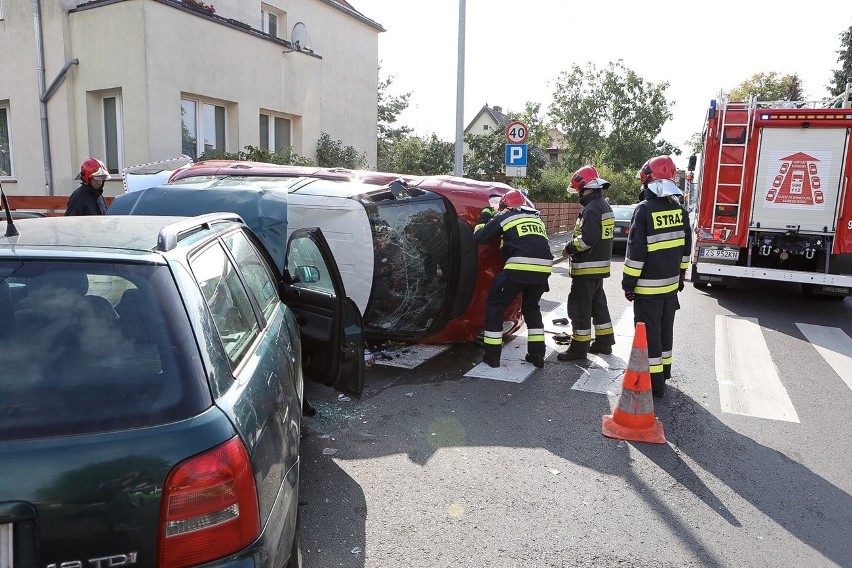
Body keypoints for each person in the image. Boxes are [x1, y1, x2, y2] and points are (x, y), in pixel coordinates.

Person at [622, 155, 692, 398]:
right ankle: (664, 373)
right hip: (670, 288)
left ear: (648, 183)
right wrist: (680, 277)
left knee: (648, 334)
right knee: (665, 330)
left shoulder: (643, 211)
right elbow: (686, 250)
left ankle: (654, 383)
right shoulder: (680, 211)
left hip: (647, 290)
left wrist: (628, 284)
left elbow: (636, 254)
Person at [473, 189, 552, 368]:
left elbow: (480, 237)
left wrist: (485, 215)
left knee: (495, 307)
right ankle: (537, 356)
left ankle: (492, 357)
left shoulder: (506, 216)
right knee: (532, 309)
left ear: (504, 206)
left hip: (518, 267)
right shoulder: (536, 218)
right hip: (543, 269)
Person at [557, 166, 616, 361]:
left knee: (580, 307)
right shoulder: (604, 206)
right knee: (598, 304)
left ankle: (578, 348)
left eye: (578, 190)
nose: (578, 195)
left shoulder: (591, 209)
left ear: (585, 187)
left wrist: (568, 248)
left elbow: (587, 239)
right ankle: (604, 343)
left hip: (586, 267)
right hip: (599, 267)